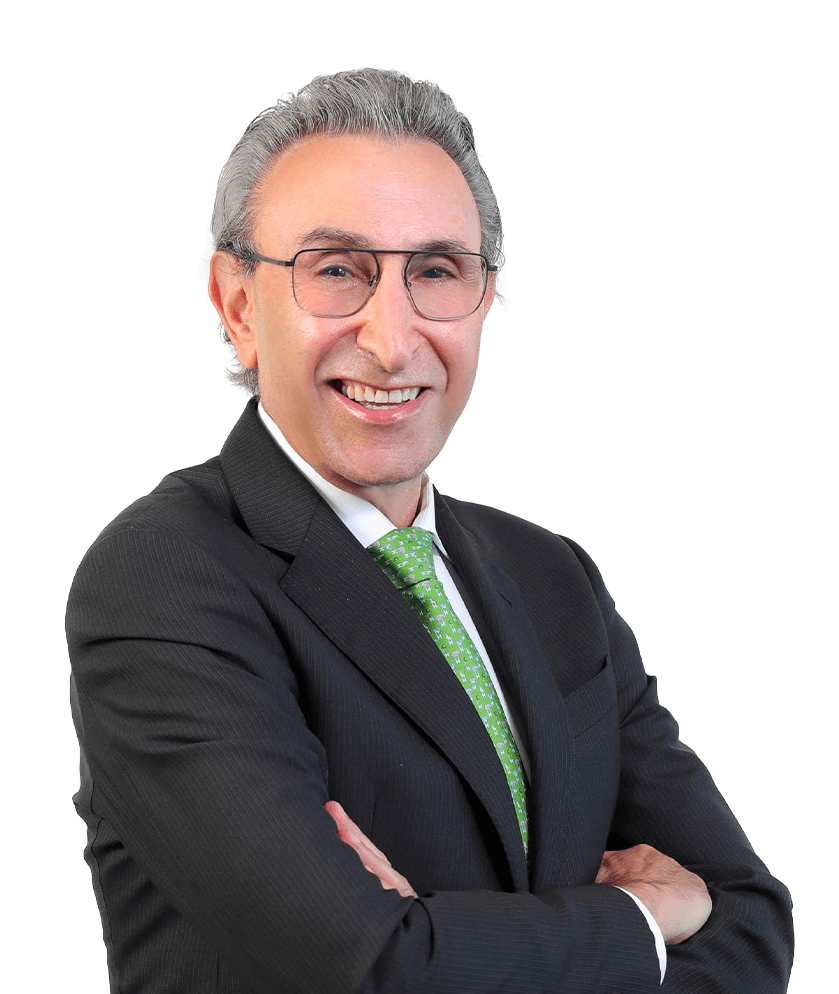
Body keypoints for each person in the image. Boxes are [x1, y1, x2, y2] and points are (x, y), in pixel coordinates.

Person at [66, 68, 793, 993]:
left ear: (485, 299)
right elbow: (367, 967)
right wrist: (644, 917)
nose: (392, 340)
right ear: (238, 306)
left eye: (436, 272)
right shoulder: (162, 577)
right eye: (338, 270)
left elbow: (752, 927)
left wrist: (438, 939)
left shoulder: (553, 574)